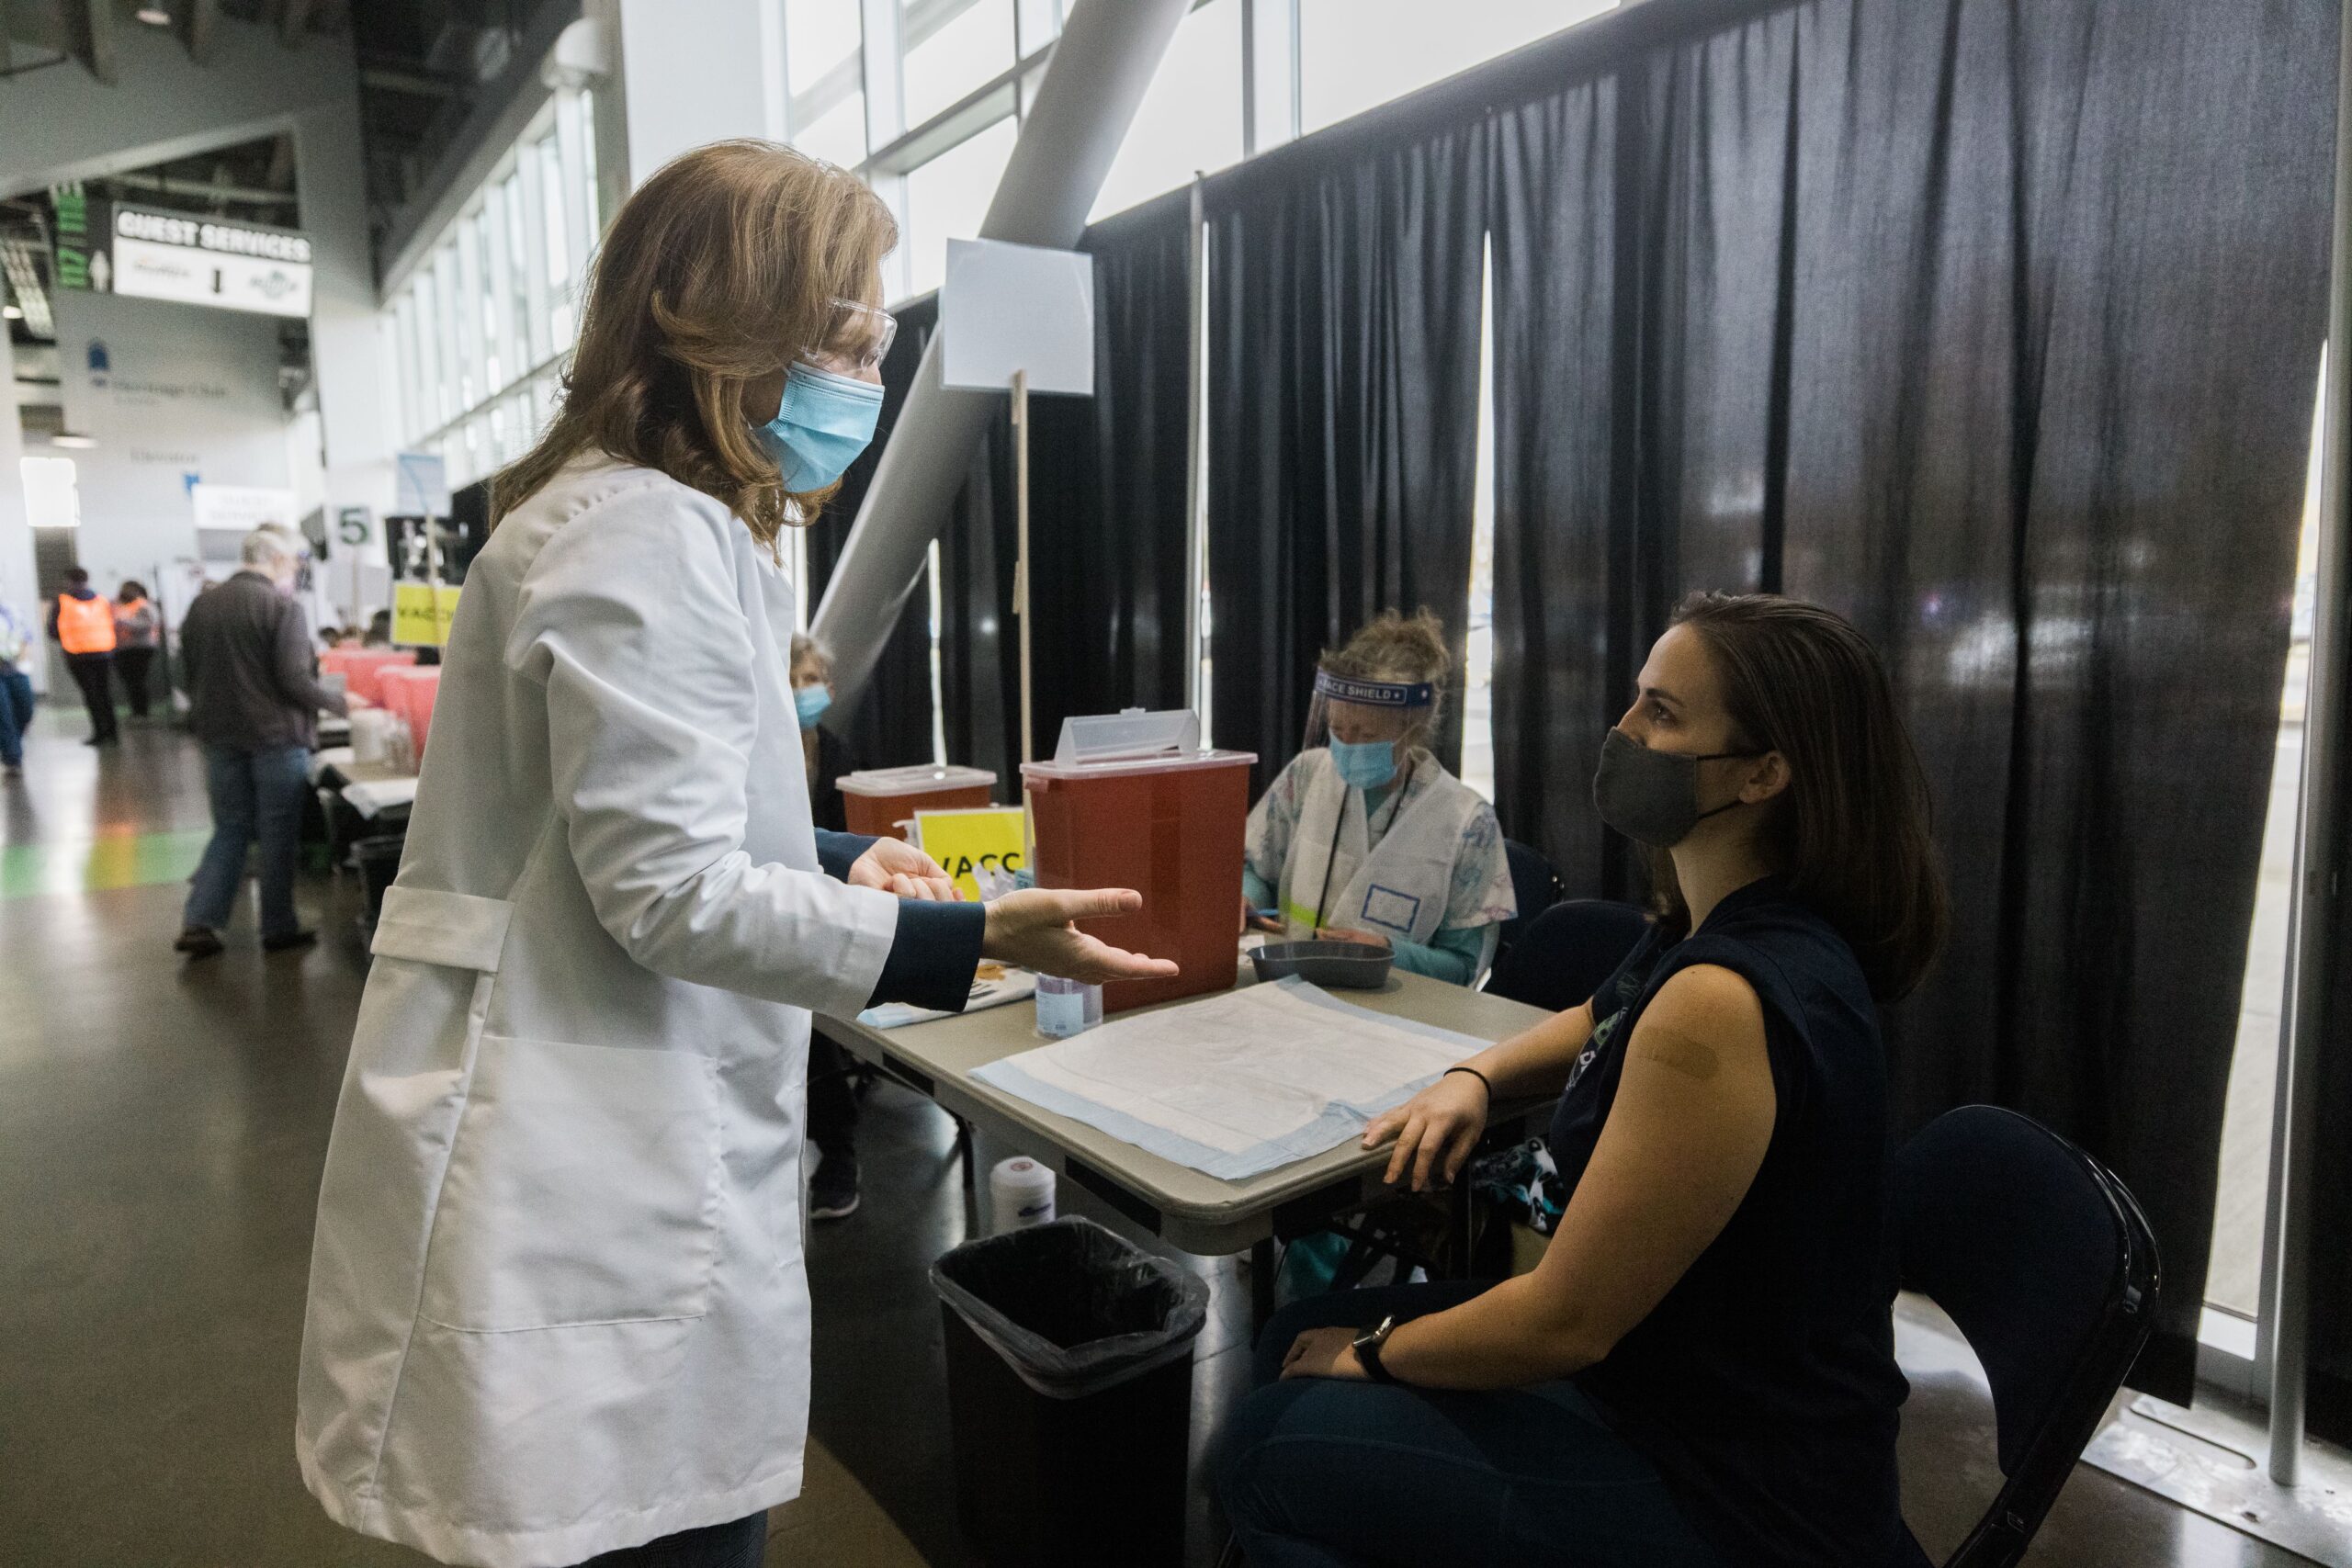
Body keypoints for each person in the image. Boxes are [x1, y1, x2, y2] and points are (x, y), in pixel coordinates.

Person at [294, 140, 1175, 1568]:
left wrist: (831, 855)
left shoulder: (618, 515)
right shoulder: (646, 530)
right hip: (589, 1156)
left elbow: (634, 812)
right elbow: (668, 888)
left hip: (577, 1119)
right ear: (739, 324)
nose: (868, 366)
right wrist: (973, 936)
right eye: (851, 329)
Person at [1218, 592, 1950, 1568]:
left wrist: (1374, 1356)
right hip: (1666, 1380)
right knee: (1290, 1344)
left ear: (1764, 773)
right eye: (1635, 701)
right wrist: (1474, 1076)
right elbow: (1596, 1016)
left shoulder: (1722, 1001)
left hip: (1729, 1488)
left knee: (1257, 1444)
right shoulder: (1721, 927)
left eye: (1662, 714)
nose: (1623, 732)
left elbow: (1563, 1322)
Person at [1242, 610, 1515, 985]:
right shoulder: (1307, 774)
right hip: (1291, 984)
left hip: (1395, 1005)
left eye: (1366, 734)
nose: (1348, 745)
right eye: (1338, 729)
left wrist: (1389, 952)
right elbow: (1254, 867)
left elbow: (1465, 966)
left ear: (1412, 728)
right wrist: (1245, 899)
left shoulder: (1468, 823)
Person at [174, 527, 348, 958]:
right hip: (276, 738)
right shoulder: (282, 607)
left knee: (230, 828)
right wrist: (339, 703)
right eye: (292, 562)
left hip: (219, 735)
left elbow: (183, 674)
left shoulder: (202, 605)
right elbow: (294, 680)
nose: (294, 571)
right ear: (276, 560)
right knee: (277, 832)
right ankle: (278, 926)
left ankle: (201, 921)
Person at [791, 632, 867, 1219]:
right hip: (787, 909)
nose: (802, 691)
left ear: (830, 688)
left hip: (841, 905)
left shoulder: (841, 756)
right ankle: (836, 1153)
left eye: (811, 679)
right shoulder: (755, 756)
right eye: (792, 680)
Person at [48, 567, 118, 746]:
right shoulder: (102, 600)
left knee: (91, 694)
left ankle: (100, 733)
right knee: (104, 693)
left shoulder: (62, 601)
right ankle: (113, 732)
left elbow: (53, 631)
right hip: (103, 652)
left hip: (78, 655)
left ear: (68, 580)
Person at [113, 580, 162, 721]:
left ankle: (142, 712)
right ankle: (136, 711)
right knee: (130, 682)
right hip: (125, 648)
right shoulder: (122, 606)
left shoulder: (144, 605)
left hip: (141, 647)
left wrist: (126, 623)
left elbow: (148, 623)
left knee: (138, 681)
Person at [0, 595, 34, 778]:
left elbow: (25, 635)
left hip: (16, 668)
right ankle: (12, 757)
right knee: (3, 715)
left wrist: (23, 653)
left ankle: (11, 744)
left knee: (25, 709)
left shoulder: (12, 610)